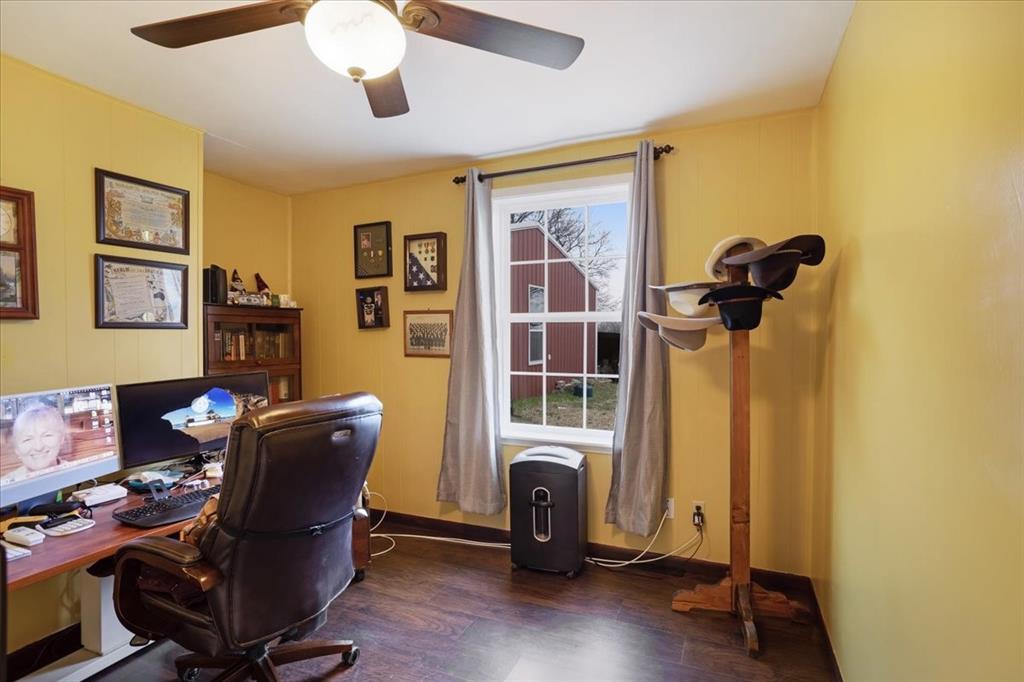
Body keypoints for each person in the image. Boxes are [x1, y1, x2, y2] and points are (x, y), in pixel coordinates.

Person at [6, 402, 66, 480]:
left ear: (61, 438)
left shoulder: (75, 473)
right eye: (27, 439)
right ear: (16, 449)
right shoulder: (5, 484)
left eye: (47, 435)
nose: (38, 447)